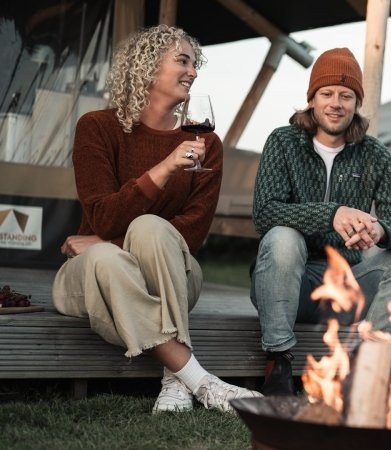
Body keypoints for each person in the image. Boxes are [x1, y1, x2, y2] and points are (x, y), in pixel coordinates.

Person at [52, 25, 261, 414]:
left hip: (175, 273)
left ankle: (175, 379)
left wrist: (101, 240)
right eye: (182, 61)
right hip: (94, 278)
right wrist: (163, 169)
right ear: (147, 67)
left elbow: (193, 232)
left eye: (195, 64)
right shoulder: (97, 128)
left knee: (146, 228)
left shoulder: (205, 145)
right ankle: (195, 381)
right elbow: (101, 214)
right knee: (106, 260)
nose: (194, 71)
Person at [250, 47, 391, 396]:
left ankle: (364, 365)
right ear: (312, 100)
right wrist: (332, 212)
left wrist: (379, 230)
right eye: (327, 93)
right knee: (282, 237)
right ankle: (279, 361)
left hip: (347, 288)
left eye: (346, 96)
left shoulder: (377, 155)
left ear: (356, 103)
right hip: (287, 285)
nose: (336, 103)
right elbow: (265, 212)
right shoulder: (283, 142)